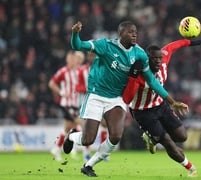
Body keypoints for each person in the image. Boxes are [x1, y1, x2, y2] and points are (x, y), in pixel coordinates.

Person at [63, 21, 189, 177]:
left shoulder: (140, 54)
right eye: (130, 32)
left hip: (117, 98)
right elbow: (78, 46)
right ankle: (72, 136)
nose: (134, 34)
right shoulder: (105, 45)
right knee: (88, 139)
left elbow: (151, 80)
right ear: (121, 34)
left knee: (115, 136)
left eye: (135, 31)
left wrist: (172, 102)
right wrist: (75, 33)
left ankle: (88, 165)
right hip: (96, 94)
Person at [122, 39, 201, 177]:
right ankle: (191, 168)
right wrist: (132, 76)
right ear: (147, 59)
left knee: (182, 136)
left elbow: (172, 46)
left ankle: (153, 138)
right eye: (155, 59)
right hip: (143, 112)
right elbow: (127, 99)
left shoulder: (163, 61)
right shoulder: (140, 74)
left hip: (160, 105)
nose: (159, 61)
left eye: (160, 58)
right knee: (167, 142)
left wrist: (190, 42)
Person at [48, 50, 85, 161]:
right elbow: (51, 83)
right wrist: (62, 93)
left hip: (76, 105)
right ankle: (85, 153)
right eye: (72, 58)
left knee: (68, 129)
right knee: (83, 125)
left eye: (75, 58)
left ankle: (57, 148)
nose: (74, 60)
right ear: (68, 59)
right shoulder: (63, 71)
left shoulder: (79, 71)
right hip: (67, 105)